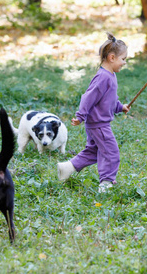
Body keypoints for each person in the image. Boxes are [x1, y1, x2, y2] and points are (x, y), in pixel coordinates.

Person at [57, 32, 130, 193]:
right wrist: (80, 116)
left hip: (97, 124)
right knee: (111, 152)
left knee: (94, 151)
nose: (124, 63)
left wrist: (119, 106)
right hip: (99, 125)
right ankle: (106, 182)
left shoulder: (110, 75)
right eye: (123, 59)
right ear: (111, 57)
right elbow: (88, 97)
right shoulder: (103, 77)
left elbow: (107, 100)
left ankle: (67, 168)